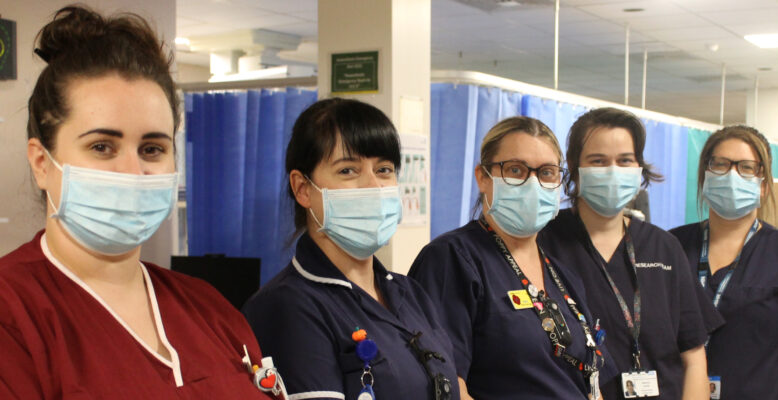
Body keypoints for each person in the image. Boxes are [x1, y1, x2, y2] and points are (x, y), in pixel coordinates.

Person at [0, 6, 269, 398]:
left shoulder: (208, 308)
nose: (132, 170)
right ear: (43, 163)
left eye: (152, 148)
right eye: (102, 146)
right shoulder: (14, 314)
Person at [243, 98, 459, 400]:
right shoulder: (287, 306)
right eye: (348, 171)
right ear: (303, 189)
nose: (373, 185)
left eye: (384, 169)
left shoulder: (410, 293)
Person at [409, 116, 616, 400]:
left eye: (546, 173)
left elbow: (589, 378)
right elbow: (447, 384)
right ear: (483, 177)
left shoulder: (562, 274)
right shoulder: (453, 259)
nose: (532, 183)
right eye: (516, 170)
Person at [537, 107, 723, 400]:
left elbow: (693, 356)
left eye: (625, 160)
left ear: (639, 166)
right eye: (598, 161)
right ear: (574, 166)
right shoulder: (544, 240)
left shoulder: (664, 248)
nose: (613, 171)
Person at [670, 125, 778, 399]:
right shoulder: (670, 248)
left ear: (764, 185)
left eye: (746, 167)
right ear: (704, 176)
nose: (732, 175)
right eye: (720, 164)